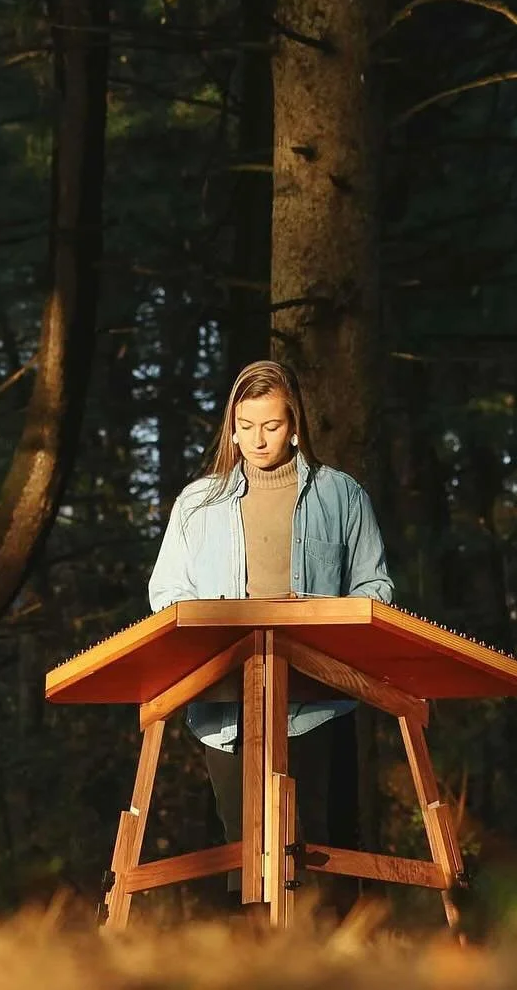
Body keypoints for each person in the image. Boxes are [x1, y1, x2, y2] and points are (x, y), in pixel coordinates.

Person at [147, 359, 394, 860]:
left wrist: (319, 616)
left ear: (295, 427)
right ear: (231, 429)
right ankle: (258, 939)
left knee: (326, 845)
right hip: (224, 707)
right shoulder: (196, 504)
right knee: (245, 853)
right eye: (245, 427)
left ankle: (341, 938)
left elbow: (376, 589)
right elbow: (167, 594)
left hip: (319, 700)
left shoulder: (342, 494)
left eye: (272, 426)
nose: (258, 440)